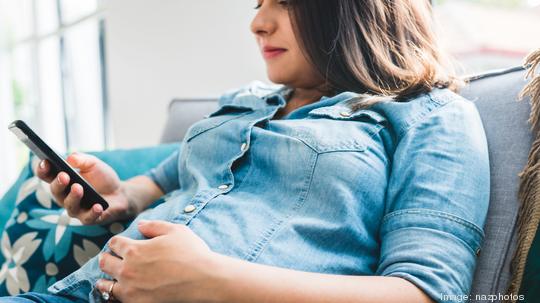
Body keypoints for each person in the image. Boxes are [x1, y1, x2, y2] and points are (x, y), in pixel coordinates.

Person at [1, 0, 490, 302]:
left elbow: (428, 293)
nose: (257, 22)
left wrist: (210, 281)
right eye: (258, 2)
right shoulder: (246, 101)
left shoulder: (430, 114)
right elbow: (164, 182)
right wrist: (119, 196)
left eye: (285, 1)